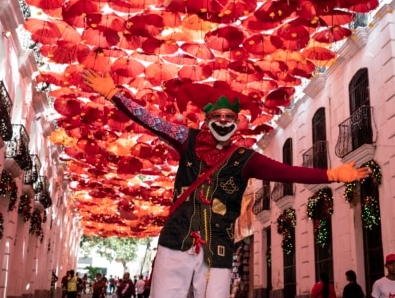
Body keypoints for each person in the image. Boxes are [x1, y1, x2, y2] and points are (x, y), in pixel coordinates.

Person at [83, 70, 371, 298]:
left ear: (237, 123)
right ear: (207, 120)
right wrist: (113, 95)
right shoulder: (187, 139)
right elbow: (152, 122)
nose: (223, 120)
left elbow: (286, 172)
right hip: (176, 242)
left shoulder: (245, 158)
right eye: (217, 116)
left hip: (217, 250)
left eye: (229, 117)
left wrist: (330, 175)